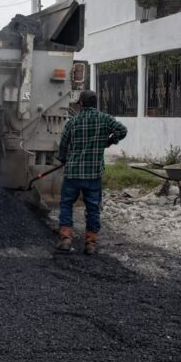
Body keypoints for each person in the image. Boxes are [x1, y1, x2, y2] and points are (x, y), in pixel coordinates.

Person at [55, 90, 128, 255]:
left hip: (73, 173)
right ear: (96, 103)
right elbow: (122, 131)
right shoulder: (104, 119)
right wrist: (108, 141)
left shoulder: (73, 122)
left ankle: (66, 239)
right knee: (93, 208)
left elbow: (63, 146)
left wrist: (62, 159)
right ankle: (91, 243)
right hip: (93, 174)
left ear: (80, 103)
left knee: (66, 204)